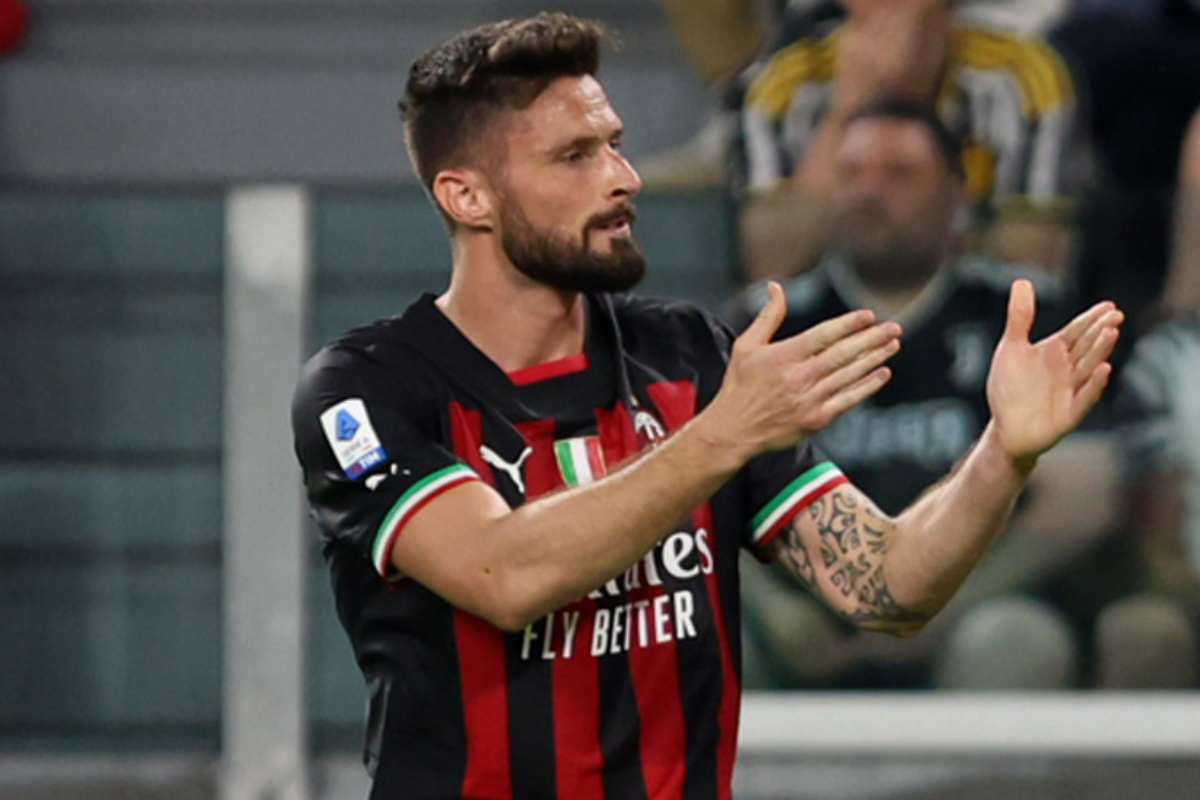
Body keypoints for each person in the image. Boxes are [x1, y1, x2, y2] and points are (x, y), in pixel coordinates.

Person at [290, 13, 1122, 798]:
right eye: (575, 157)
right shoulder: (365, 389)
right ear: (466, 197)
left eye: (615, 146)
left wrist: (1004, 454)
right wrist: (722, 437)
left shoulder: (690, 357)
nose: (624, 179)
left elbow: (884, 585)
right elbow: (503, 575)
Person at [727, 97, 1128, 689]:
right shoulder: (768, 325)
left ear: (956, 193)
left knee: (1016, 639)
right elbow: (696, 485)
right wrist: (776, 612)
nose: (869, 192)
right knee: (712, 633)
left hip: (979, 605)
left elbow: (1089, 492)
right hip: (800, 619)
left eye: (899, 174)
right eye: (851, 173)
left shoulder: (1024, 314)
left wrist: (935, 605)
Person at [734, 0, 1079, 282]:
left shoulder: (1018, 77)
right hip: (829, 322)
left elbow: (1033, 267)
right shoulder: (786, 87)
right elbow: (773, 269)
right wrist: (845, 112)